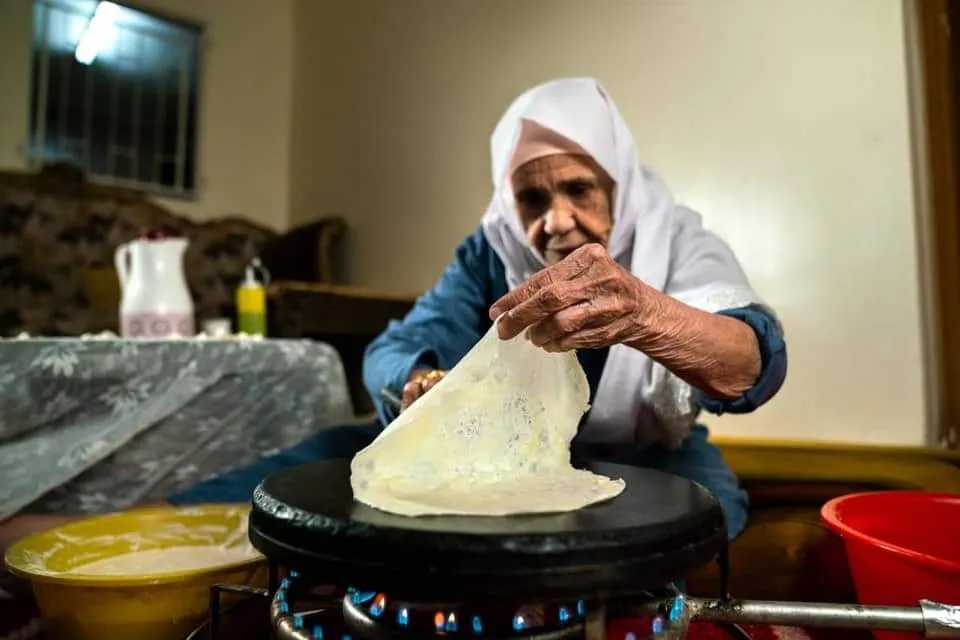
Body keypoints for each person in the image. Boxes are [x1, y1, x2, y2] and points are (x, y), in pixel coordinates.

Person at [0, 77, 785, 548]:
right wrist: (416, 384)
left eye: (579, 188)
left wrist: (647, 315)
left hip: (642, 454)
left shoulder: (677, 241)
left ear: (617, 182)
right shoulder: (491, 253)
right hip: (496, 452)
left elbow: (753, 360)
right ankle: (127, 533)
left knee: (706, 512)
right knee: (322, 458)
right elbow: (398, 343)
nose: (554, 222)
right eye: (531, 198)